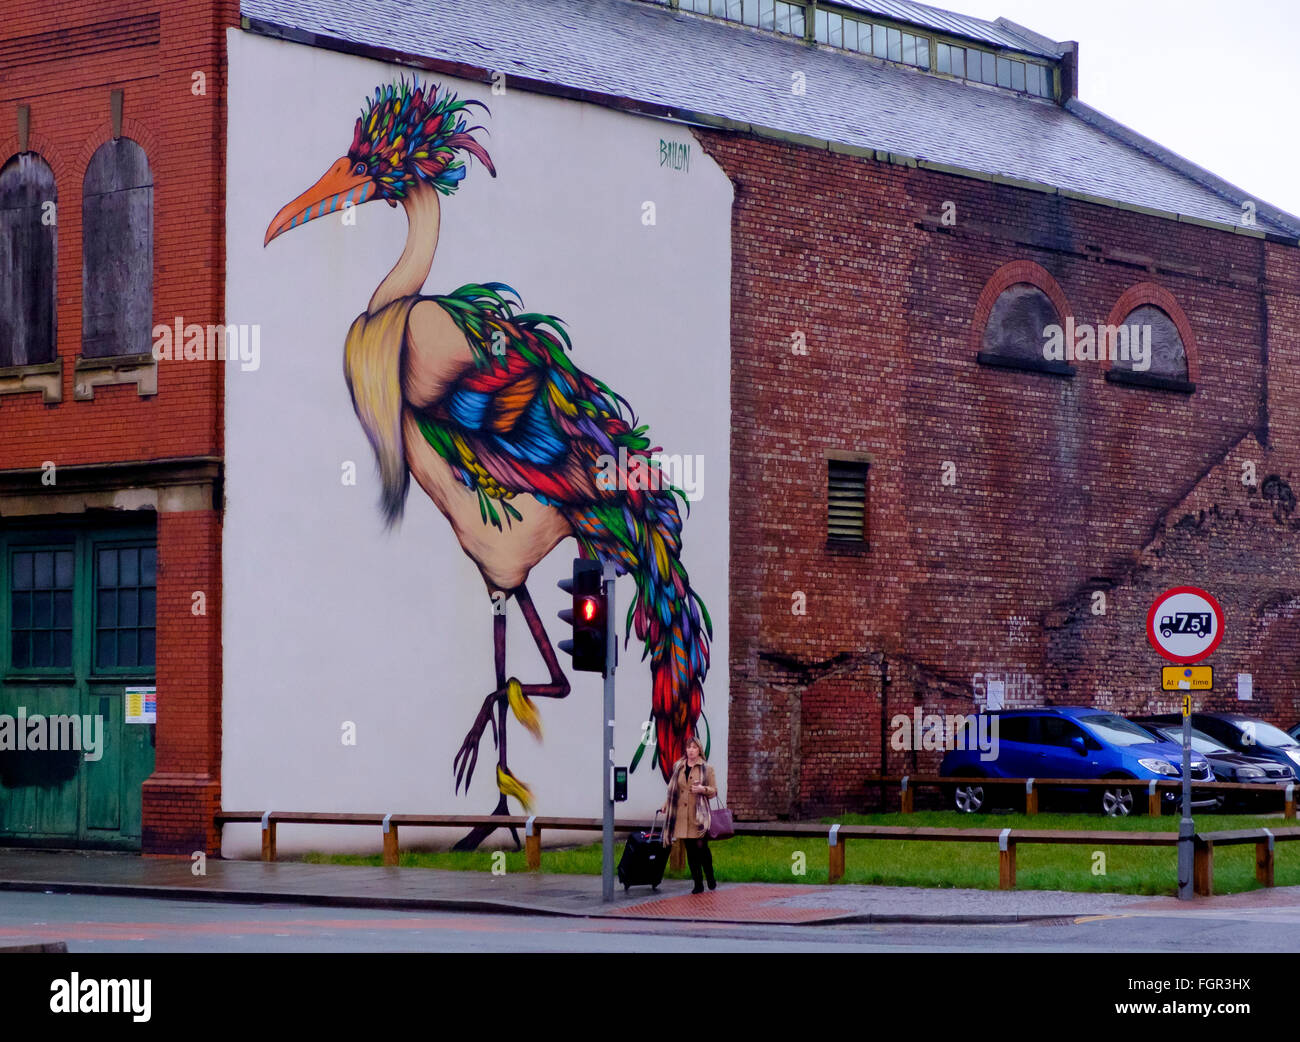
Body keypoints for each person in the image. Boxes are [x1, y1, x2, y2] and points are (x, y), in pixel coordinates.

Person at [661, 736, 717, 894]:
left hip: (698, 816)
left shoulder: (707, 768)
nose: (691, 750)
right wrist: (666, 803)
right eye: (689, 747)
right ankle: (698, 883)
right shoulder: (678, 766)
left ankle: (710, 876)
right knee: (691, 851)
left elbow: (714, 791)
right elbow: (674, 790)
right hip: (682, 816)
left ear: (699, 749)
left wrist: (703, 790)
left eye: (694, 747)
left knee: (702, 848)